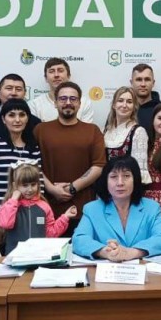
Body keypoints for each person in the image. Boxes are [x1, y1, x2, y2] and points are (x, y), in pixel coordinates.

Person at [34, 81, 106, 230]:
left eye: (73, 99)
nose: (68, 102)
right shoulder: (40, 130)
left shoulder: (93, 131)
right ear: (55, 103)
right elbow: (33, 164)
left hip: (83, 210)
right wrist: (51, 189)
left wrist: (72, 188)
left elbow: (98, 166)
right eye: (63, 98)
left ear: (79, 103)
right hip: (46, 209)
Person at [72, 156, 161, 260]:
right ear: (106, 181)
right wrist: (104, 252)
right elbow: (79, 240)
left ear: (135, 179)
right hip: (107, 268)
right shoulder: (92, 209)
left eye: (126, 176)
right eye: (114, 176)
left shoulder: (152, 208)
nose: (120, 183)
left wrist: (131, 253)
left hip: (142, 268)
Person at [0, 98, 43, 250]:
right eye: (11, 115)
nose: (17, 120)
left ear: (28, 118)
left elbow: (40, 187)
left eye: (22, 115)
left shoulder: (33, 149)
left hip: (27, 221)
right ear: (3, 119)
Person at [0, 163, 76, 255]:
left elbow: (50, 234)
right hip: (14, 256)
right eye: (25, 185)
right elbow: (5, 224)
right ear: (15, 186)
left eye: (33, 184)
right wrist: (14, 199)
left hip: (39, 256)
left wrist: (65, 217)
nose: (30, 189)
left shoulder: (44, 206)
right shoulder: (9, 205)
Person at [0, 73, 42, 141]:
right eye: (9, 88)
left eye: (18, 89)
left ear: (25, 93)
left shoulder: (36, 123)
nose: (13, 93)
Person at [102, 86, 149, 177]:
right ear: (114, 105)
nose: (124, 105)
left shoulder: (138, 132)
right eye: (120, 100)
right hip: (107, 182)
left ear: (134, 107)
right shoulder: (107, 130)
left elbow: (139, 171)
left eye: (129, 102)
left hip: (125, 183)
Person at [30, 58, 95, 123]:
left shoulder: (84, 103)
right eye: (51, 71)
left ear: (68, 76)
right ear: (46, 78)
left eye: (60, 71)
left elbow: (86, 129)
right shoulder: (35, 105)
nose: (56, 75)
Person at [131, 63, 161, 130]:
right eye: (139, 79)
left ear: (153, 83)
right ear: (131, 82)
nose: (143, 84)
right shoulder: (122, 110)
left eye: (147, 79)